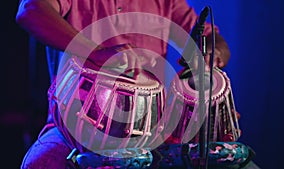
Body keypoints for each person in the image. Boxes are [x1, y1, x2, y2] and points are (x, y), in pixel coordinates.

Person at [16, 0, 234, 168]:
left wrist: (210, 55)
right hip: (75, 129)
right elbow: (31, 10)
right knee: (41, 163)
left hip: (152, 130)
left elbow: (208, 36)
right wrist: (96, 53)